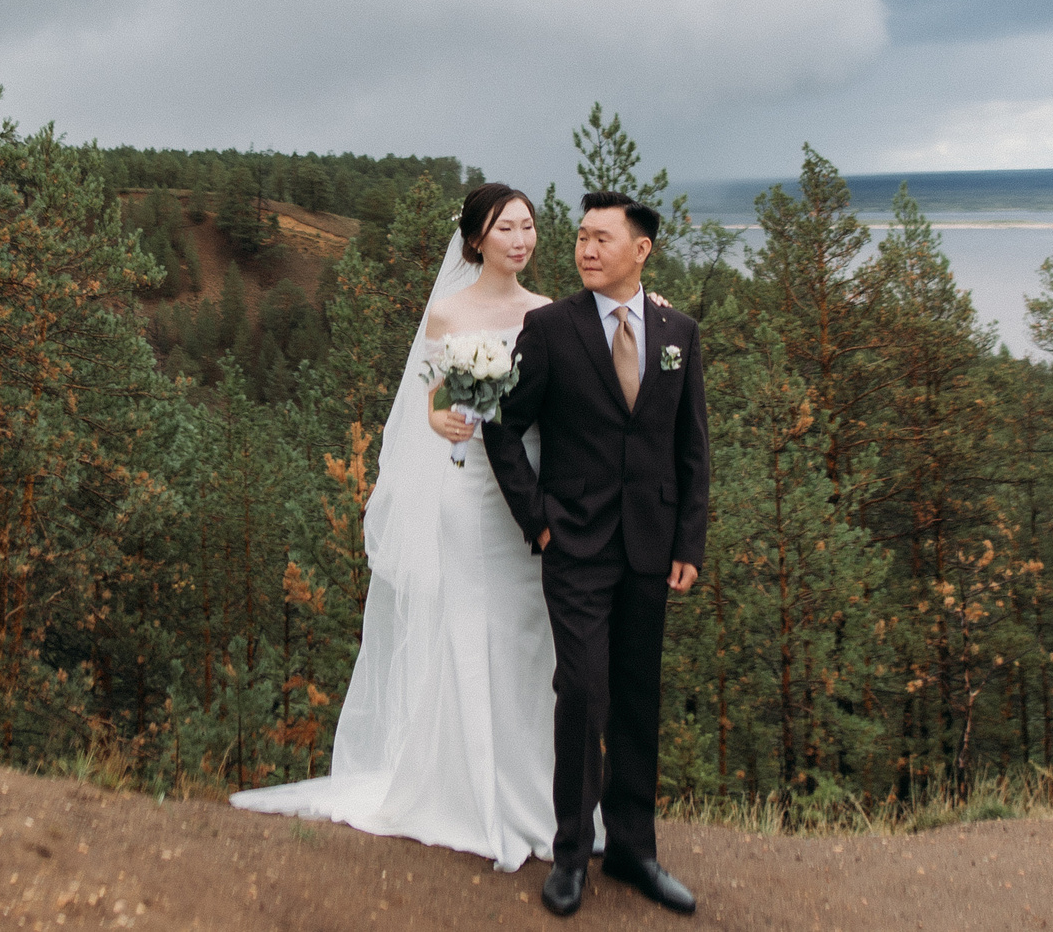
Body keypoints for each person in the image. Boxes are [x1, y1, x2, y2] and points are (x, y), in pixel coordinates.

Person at [229, 182, 560, 870]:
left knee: (530, 640)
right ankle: (465, 796)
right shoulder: (447, 313)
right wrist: (442, 418)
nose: (521, 238)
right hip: (468, 495)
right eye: (507, 227)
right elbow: (430, 403)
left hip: (529, 499)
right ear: (476, 239)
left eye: (529, 226)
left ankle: (534, 798)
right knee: (467, 628)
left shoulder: (549, 315)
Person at [483, 193, 709, 918]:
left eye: (601, 238)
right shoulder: (548, 327)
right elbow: (502, 426)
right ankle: (572, 853)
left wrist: (689, 542)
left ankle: (636, 851)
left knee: (638, 696)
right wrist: (539, 520)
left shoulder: (679, 331)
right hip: (574, 543)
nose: (585, 249)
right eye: (580, 236)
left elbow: (692, 447)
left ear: (640, 249)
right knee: (583, 690)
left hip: (652, 544)